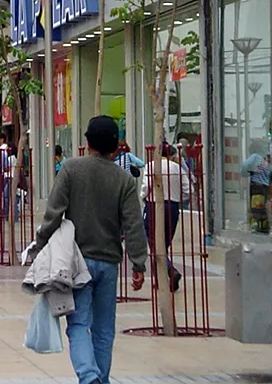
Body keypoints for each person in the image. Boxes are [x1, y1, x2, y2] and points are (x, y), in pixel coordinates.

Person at [35, 116, 147, 384]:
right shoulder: (124, 180)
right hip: (109, 263)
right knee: (105, 329)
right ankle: (100, 379)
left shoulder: (71, 170)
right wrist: (138, 264)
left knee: (78, 325)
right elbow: (133, 224)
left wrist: (40, 245)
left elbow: (54, 214)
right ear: (116, 148)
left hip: (77, 263)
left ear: (86, 142)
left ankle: (89, 377)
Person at [141, 143, 191, 291]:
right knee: (165, 242)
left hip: (154, 205)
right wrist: (176, 197)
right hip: (173, 207)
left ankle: (169, 271)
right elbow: (188, 190)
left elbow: (145, 187)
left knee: (154, 243)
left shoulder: (151, 166)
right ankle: (161, 277)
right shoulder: (177, 168)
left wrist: (143, 198)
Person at [242, 141, 272, 234]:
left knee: (255, 208)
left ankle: (255, 227)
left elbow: (244, 165)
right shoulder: (264, 161)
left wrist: (245, 173)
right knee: (262, 208)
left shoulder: (255, 156)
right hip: (264, 187)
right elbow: (271, 173)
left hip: (256, 186)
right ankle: (264, 227)